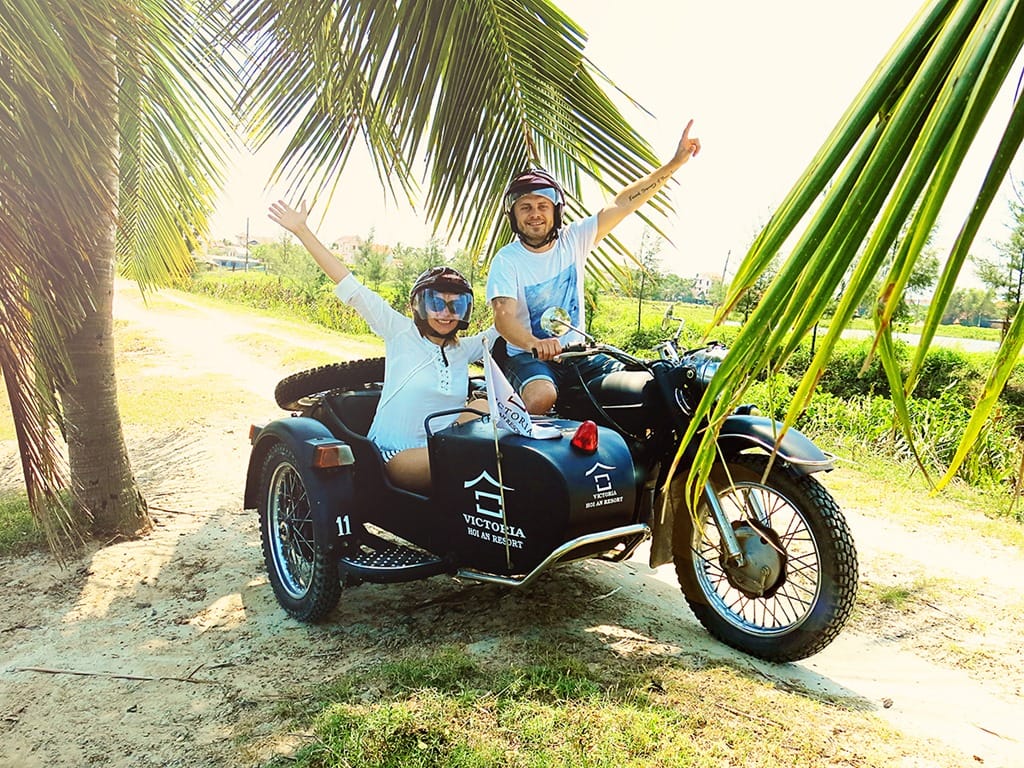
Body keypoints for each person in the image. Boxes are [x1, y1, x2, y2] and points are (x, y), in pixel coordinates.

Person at [269, 200, 494, 494]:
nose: (445, 312)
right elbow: (351, 287)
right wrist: (301, 230)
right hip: (395, 456)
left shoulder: (464, 349)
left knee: (484, 406)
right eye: (435, 302)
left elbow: (506, 324)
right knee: (473, 455)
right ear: (418, 305)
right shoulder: (400, 332)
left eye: (456, 305)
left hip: (444, 449)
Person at [486, 120, 702, 414]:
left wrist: (674, 163)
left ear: (555, 211)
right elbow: (504, 318)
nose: (534, 214)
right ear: (514, 215)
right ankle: (502, 440)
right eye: (525, 207)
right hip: (529, 357)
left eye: (542, 206)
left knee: (644, 387)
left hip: (579, 356)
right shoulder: (507, 260)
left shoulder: (573, 240)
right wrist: (534, 342)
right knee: (541, 398)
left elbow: (624, 203)